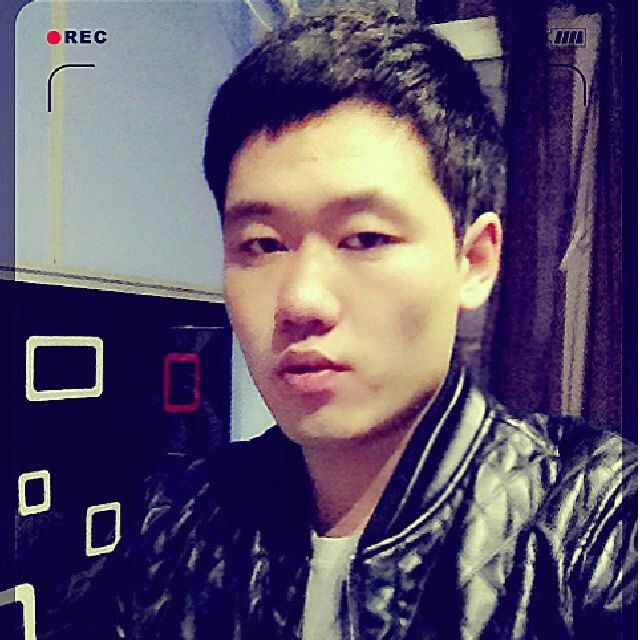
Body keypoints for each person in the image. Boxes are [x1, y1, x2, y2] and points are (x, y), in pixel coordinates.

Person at [62, 5, 636, 639]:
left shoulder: (595, 529)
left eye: (365, 238)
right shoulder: (172, 528)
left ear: (473, 261)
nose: (302, 300)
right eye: (262, 244)